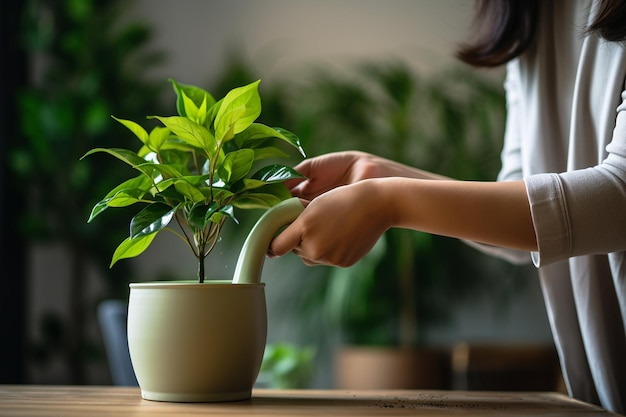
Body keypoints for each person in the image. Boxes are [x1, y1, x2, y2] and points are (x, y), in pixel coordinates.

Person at [268, 0, 626, 413]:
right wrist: (381, 177)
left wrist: (387, 201)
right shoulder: (532, 16)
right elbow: (520, 213)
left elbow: (616, 200)